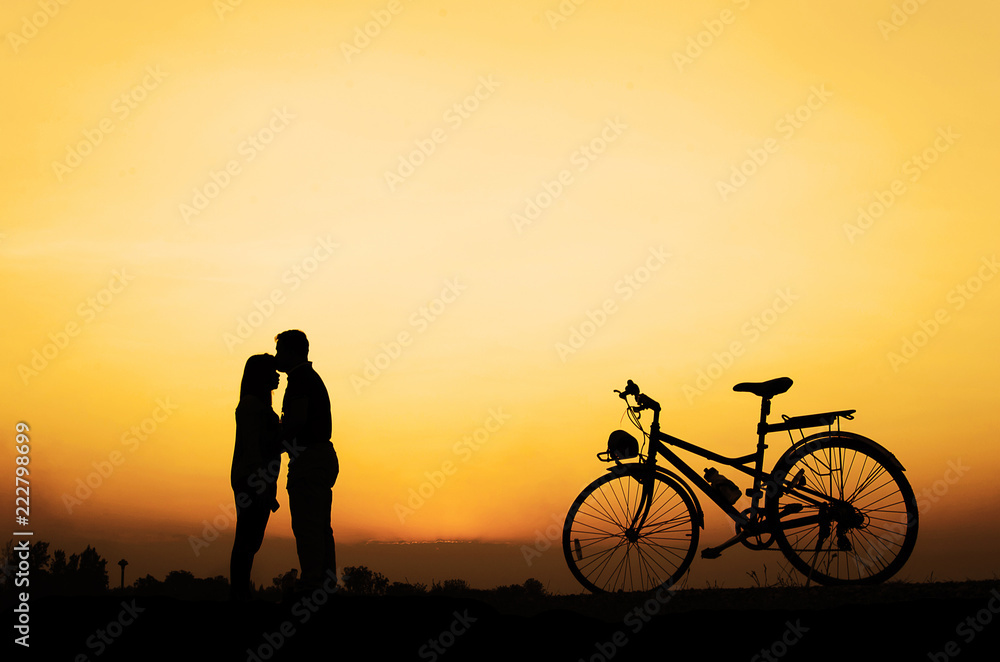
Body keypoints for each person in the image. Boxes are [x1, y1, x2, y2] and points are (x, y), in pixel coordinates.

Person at [274, 329, 339, 592]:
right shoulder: (309, 378)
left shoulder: (300, 380)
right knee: (320, 526)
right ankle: (324, 584)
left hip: (310, 459)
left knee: (307, 526)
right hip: (320, 457)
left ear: (291, 352)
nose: (277, 357)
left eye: (280, 351)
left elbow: (297, 421)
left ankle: (313, 584)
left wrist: (272, 445)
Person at [230, 353, 282, 601]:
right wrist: (261, 486)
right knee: (247, 537)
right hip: (252, 478)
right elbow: (251, 449)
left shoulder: (259, 406)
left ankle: (239, 591)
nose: (278, 375)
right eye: (273, 372)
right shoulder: (251, 405)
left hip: (258, 479)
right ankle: (238, 591)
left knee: (251, 537)